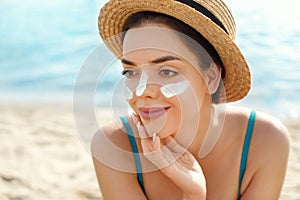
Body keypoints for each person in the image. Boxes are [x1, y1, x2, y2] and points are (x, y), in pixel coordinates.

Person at [91, 0, 290, 199]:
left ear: (211, 78)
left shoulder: (266, 141)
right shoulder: (112, 146)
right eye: (131, 72)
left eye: (167, 71)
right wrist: (193, 195)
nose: (142, 92)